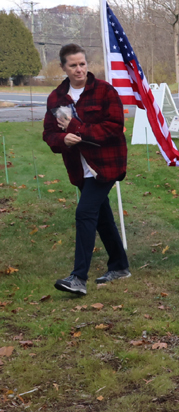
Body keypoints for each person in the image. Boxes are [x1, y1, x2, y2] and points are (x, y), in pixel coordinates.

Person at [42, 43, 130, 295]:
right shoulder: (56, 98)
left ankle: (78, 278)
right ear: (63, 67)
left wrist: (76, 130)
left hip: (105, 164)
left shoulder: (105, 92)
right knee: (102, 218)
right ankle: (120, 266)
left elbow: (113, 127)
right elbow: (48, 134)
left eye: (82, 64)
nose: (79, 69)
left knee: (85, 213)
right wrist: (62, 140)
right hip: (79, 168)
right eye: (73, 65)